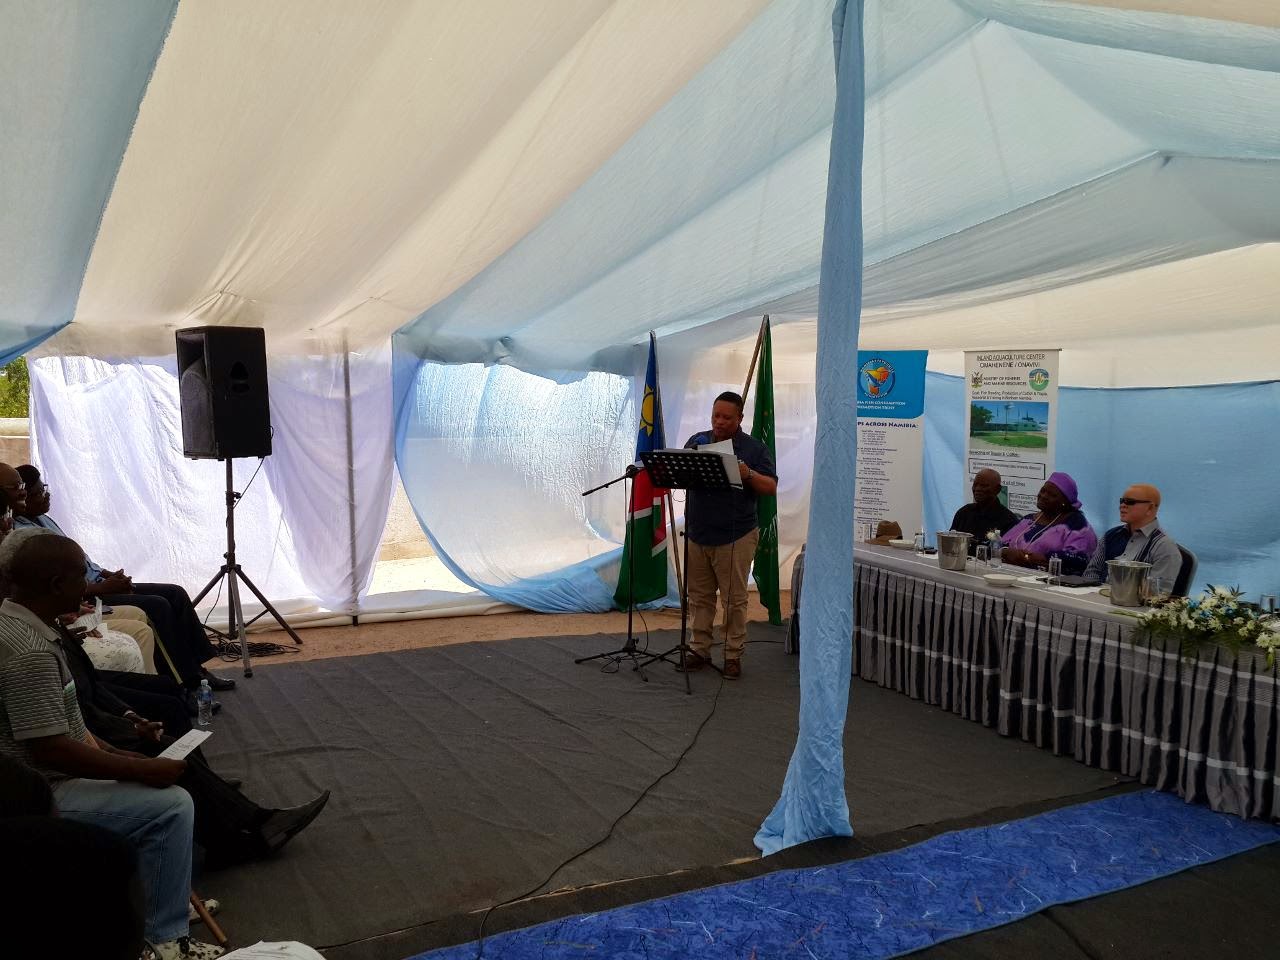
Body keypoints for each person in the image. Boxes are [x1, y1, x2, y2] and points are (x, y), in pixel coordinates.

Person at [0, 531, 224, 958]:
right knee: (171, 806)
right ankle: (165, 940)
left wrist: (120, 754)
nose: (88, 585)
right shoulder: (28, 650)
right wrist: (140, 769)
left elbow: (69, 723)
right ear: (56, 585)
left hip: (47, 776)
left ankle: (160, 903)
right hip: (42, 791)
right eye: (81, 576)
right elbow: (50, 749)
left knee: (156, 782)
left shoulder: (22, 625)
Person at [10, 463, 235, 695]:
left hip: (100, 583)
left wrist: (110, 575)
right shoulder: (25, 536)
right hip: (88, 594)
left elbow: (83, 562)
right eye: (39, 493)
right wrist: (104, 587)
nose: (46, 496)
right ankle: (186, 681)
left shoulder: (44, 519)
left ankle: (198, 668)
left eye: (45, 488)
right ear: (23, 498)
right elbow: (59, 585)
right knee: (158, 606)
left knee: (175, 593)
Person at [677, 391, 777, 680]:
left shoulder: (754, 449)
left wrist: (748, 474)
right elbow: (681, 475)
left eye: (726, 417)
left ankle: (733, 655)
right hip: (698, 532)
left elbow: (770, 487)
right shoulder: (697, 441)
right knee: (699, 597)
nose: (719, 422)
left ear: (740, 418)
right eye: (715, 416)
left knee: (734, 600)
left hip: (736, 535)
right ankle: (699, 649)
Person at [1082, 483, 1183, 589]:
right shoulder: (1111, 535)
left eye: (1130, 502)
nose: (1122, 505)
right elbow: (1091, 573)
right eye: (1122, 501)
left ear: (1150, 508)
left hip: (1132, 600)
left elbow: (1157, 592)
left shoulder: (1165, 547)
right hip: (1096, 597)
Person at [999, 471, 1098, 575]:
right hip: (1009, 574)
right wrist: (1005, 551)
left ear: (1065, 502)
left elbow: (1079, 560)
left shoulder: (1078, 526)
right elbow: (999, 543)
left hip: (1052, 581)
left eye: (1052, 495)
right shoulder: (1028, 520)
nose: (1043, 496)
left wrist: (1029, 558)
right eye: (1043, 491)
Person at [949, 468, 1019, 551]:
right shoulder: (964, 512)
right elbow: (951, 542)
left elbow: (1007, 553)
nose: (977, 489)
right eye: (975, 485)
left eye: (984, 486)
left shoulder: (1009, 521)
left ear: (997, 489)